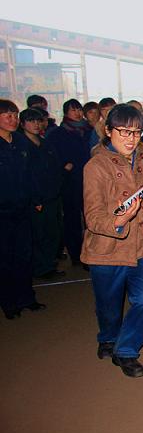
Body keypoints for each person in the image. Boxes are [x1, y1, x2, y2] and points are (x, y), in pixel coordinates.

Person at [81, 104, 143, 377]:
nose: (131, 139)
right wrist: (118, 220)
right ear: (108, 131)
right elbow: (93, 217)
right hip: (107, 250)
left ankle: (126, 350)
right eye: (124, 132)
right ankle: (108, 337)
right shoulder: (96, 166)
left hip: (142, 246)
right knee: (109, 307)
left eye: (137, 132)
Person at [0, 99, 46, 319]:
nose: (13, 119)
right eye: (8, 115)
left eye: (15, 115)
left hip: (22, 208)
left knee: (24, 255)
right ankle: (9, 303)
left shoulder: (20, 141)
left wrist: (36, 197)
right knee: (5, 258)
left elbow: (30, 174)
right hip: (2, 211)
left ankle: (27, 297)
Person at [19, 108, 65, 280]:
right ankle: (41, 267)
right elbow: (24, 176)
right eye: (31, 121)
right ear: (22, 124)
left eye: (38, 121)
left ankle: (48, 263)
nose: (36, 124)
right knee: (39, 234)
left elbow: (55, 167)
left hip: (52, 195)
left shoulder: (45, 143)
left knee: (53, 232)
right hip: (35, 199)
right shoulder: (20, 145)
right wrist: (35, 199)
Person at [46, 99, 91, 268]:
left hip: (89, 180)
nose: (77, 113)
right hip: (70, 182)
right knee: (72, 219)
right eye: (73, 110)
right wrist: (64, 165)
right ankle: (76, 254)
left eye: (79, 109)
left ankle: (90, 253)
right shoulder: (58, 133)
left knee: (90, 218)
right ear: (66, 113)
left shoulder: (88, 130)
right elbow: (51, 156)